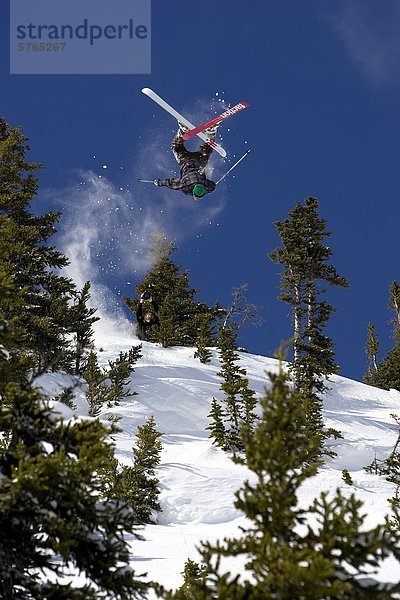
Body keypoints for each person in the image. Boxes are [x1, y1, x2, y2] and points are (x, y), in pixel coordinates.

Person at [153, 127, 217, 201]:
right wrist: (159, 183)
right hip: (186, 161)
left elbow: (212, 185)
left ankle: (210, 133)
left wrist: (211, 188)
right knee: (176, 146)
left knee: (206, 151)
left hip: (199, 161)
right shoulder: (184, 185)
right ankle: (182, 132)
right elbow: (171, 183)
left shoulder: (204, 184)